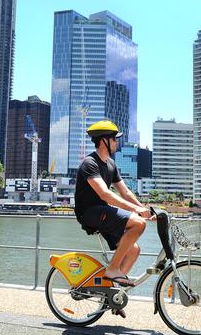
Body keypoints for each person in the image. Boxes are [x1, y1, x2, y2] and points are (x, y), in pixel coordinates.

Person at [74, 120, 152, 290]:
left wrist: (143, 208)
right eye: (114, 139)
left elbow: (126, 192)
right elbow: (105, 194)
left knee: (134, 250)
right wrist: (135, 210)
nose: (117, 142)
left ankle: (112, 293)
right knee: (139, 224)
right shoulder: (90, 163)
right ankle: (112, 270)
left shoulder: (111, 164)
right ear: (104, 141)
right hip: (89, 213)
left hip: (104, 213)